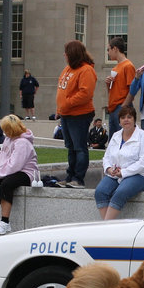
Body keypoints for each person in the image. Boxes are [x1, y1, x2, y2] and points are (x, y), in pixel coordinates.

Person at [95, 105, 144, 220]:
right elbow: (106, 157)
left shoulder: (143, 136)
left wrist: (124, 172)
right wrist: (109, 169)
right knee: (100, 192)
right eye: (123, 117)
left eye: (129, 117)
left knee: (120, 192)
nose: (126, 120)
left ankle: (105, 227)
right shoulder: (116, 135)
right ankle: (108, 228)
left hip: (139, 175)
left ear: (134, 119)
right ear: (119, 121)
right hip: (115, 174)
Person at [56, 40, 97, 188]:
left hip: (79, 115)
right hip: (66, 114)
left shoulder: (86, 70)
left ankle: (78, 178)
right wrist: (59, 109)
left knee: (79, 147)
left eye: (66, 52)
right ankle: (70, 176)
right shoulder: (67, 69)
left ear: (72, 54)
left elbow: (85, 94)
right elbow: (62, 90)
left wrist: (66, 103)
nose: (64, 55)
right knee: (71, 147)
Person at [104, 37, 135, 138]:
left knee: (123, 139)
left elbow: (132, 89)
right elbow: (113, 91)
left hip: (121, 107)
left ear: (115, 49)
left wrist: (124, 107)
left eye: (109, 49)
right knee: (114, 141)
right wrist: (108, 84)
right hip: (113, 108)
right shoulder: (115, 68)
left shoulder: (128, 66)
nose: (108, 52)